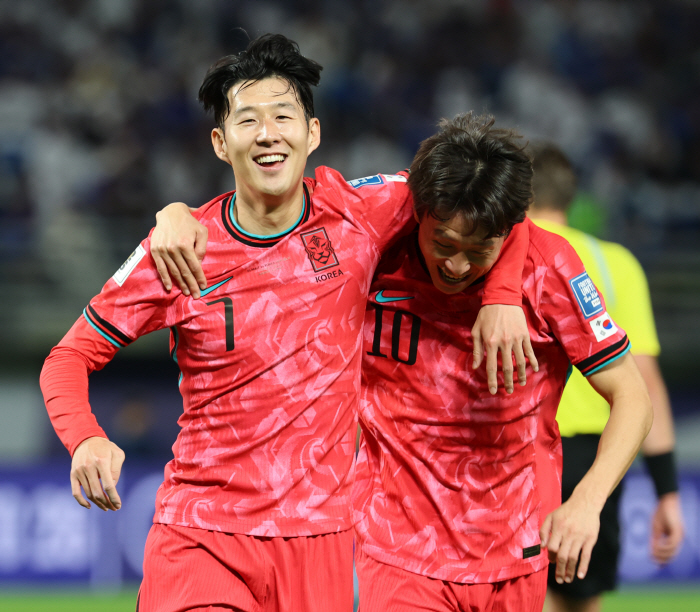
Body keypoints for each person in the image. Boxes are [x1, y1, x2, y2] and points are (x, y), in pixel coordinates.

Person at [39, 35, 533, 612]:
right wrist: (86, 439)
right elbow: (67, 358)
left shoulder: (361, 214)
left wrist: (502, 297)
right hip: (202, 532)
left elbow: (497, 191)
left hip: (318, 542)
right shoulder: (177, 250)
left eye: (282, 115)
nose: (268, 133)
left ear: (313, 133)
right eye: (248, 120)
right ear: (222, 143)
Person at [351, 114, 653, 611]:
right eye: (443, 243)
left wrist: (587, 501)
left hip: (514, 546)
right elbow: (289, 211)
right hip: (396, 547)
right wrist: (179, 216)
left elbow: (633, 397)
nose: (456, 266)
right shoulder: (377, 244)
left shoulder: (550, 268)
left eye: (478, 252)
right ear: (419, 211)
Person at [527, 142, 684, 612]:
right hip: (599, 461)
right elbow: (646, 385)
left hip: (524, 450)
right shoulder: (616, 263)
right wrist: (667, 490)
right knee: (580, 600)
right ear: (569, 197)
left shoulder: (502, 255)